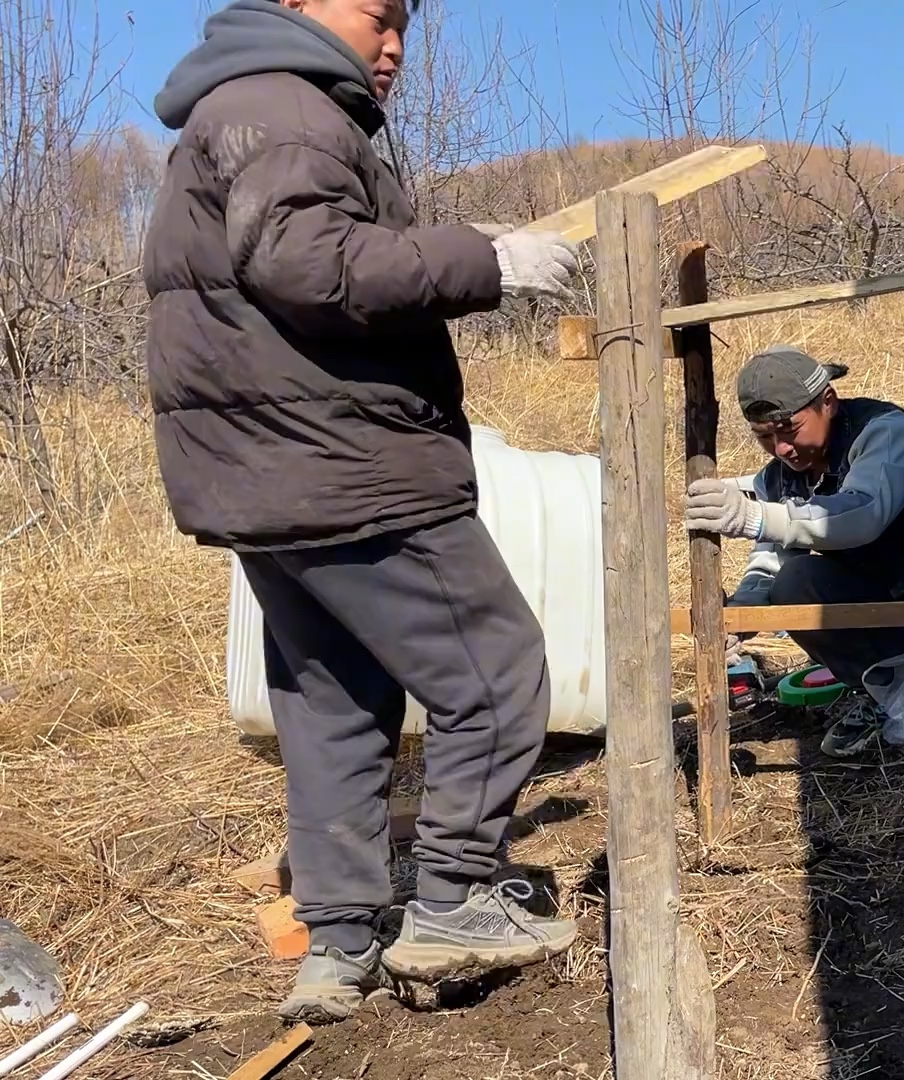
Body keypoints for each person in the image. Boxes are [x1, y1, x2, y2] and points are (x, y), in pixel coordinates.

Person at [144, 0, 579, 1023]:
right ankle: (458, 899)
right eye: (376, 14)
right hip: (345, 466)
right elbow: (308, 262)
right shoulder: (284, 108)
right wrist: (486, 261)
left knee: (335, 708)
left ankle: (338, 946)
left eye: (405, 27)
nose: (393, 45)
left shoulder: (235, 105)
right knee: (495, 671)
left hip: (261, 479)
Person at [683, 346, 904, 756]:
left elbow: (862, 514)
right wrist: (741, 614)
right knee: (796, 583)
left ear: (828, 401)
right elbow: (771, 563)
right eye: (764, 437)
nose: (781, 448)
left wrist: (754, 516)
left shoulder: (887, 433)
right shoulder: (779, 478)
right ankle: (892, 697)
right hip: (896, 610)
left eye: (789, 429)